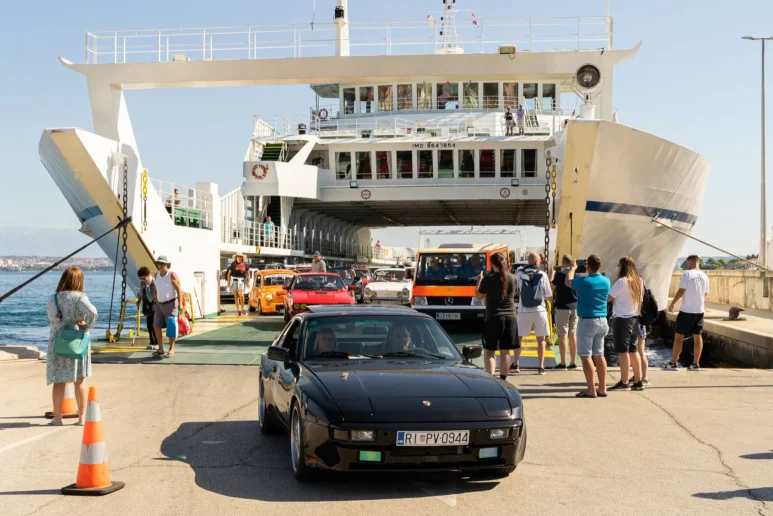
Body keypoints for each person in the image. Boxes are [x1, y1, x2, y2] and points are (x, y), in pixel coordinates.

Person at [46, 267, 97, 425]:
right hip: (76, 343)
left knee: (58, 381)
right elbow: (93, 312)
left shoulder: (53, 298)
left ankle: (58, 418)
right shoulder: (80, 298)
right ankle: (81, 418)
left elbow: (52, 318)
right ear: (79, 281)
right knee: (79, 380)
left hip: (57, 343)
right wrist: (86, 325)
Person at [567, 255, 610, 398]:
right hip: (602, 320)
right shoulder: (606, 281)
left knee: (586, 356)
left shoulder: (584, 281)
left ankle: (591, 390)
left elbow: (568, 282)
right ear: (600, 266)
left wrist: (573, 268)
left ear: (588, 266)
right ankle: (602, 388)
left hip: (587, 321)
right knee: (599, 355)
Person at [476, 252, 518, 380]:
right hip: (510, 318)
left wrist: (479, 281)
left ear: (492, 264)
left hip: (493, 318)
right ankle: (503, 379)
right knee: (505, 351)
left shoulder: (488, 279)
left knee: (489, 352)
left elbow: (478, 296)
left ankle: (491, 380)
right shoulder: (513, 278)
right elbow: (515, 294)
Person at [608, 256, 645, 391]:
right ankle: (638, 380)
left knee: (623, 351)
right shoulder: (639, 281)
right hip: (635, 318)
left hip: (622, 319)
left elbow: (609, 298)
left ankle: (624, 381)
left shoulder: (621, 282)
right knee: (633, 350)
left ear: (622, 267)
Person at [667, 255, 710, 370]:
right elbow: (705, 293)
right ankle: (696, 363)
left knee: (679, 337)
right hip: (699, 311)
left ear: (690, 262)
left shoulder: (687, 274)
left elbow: (681, 290)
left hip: (686, 311)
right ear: (698, 262)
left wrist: (672, 303)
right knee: (697, 336)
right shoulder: (705, 276)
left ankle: (673, 363)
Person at [515, 252, 553, 374]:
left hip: (523, 311)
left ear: (528, 261)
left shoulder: (519, 274)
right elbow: (548, 294)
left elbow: (515, 290)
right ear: (537, 261)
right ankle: (541, 367)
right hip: (539, 310)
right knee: (541, 340)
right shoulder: (542, 274)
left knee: (519, 338)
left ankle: (515, 364)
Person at [153, 256, 185, 358]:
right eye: (158, 263)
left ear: (166, 264)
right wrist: (155, 296)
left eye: (162, 263)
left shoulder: (171, 275)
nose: (160, 265)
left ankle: (171, 348)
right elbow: (156, 287)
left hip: (171, 303)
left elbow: (179, 290)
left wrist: (180, 304)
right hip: (159, 304)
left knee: (171, 326)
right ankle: (160, 348)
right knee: (156, 325)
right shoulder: (156, 275)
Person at [552, 255, 578, 370]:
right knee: (573, 334)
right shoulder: (575, 274)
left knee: (563, 335)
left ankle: (563, 363)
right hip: (575, 307)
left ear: (563, 262)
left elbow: (552, 287)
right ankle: (573, 362)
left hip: (563, 307)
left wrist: (552, 274)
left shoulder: (560, 274)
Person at [136, 266, 158, 350]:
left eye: (144, 278)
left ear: (148, 275)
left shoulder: (154, 282)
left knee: (155, 324)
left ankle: (156, 342)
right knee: (149, 325)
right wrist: (138, 301)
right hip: (148, 305)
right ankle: (152, 342)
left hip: (155, 305)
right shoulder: (143, 283)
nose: (142, 280)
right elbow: (141, 292)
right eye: (141, 278)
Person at [227, 252, 249, 316]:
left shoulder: (245, 264)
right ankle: (238, 311)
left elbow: (248, 273)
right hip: (234, 280)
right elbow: (229, 274)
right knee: (236, 296)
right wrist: (228, 283)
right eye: (238, 256)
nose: (239, 258)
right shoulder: (233, 264)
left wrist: (248, 282)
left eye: (240, 256)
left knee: (241, 295)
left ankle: (242, 309)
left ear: (242, 258)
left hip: (241, 280)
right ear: (236, 257)